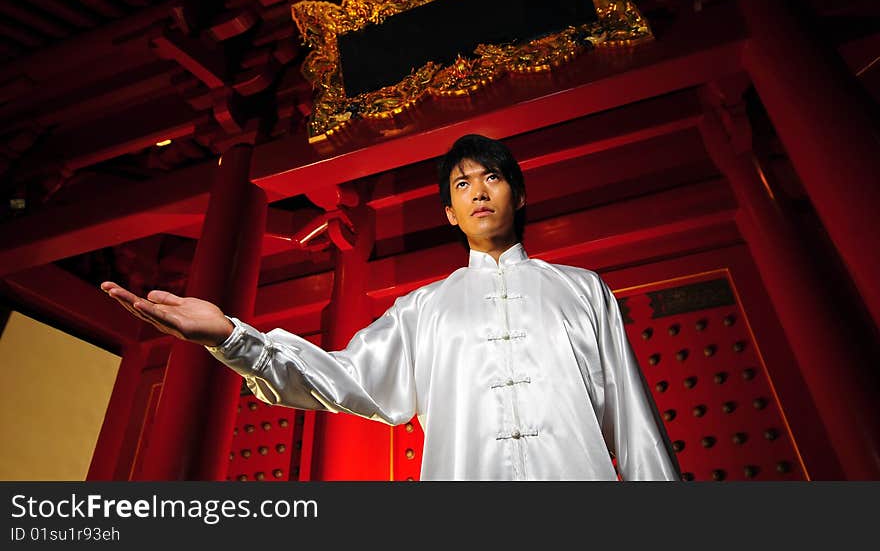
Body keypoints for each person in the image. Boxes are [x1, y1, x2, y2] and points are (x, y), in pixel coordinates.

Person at [102, 134, 681, 481]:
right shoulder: (424, 309)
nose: (479, 191)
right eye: (461, 185)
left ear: (519, 194)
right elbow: (346, 378)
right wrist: (232, 336)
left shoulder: (583, 290)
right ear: (449, 213)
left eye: (493, 178)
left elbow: (633, 421)